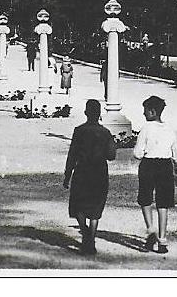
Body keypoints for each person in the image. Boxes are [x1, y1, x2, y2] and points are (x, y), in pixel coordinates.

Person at [63, 99, 117, 255]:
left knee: (78, 203)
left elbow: (72, 155)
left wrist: (68, 175)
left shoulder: (78, 131)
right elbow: (111, 156)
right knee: (95, 205)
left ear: (85, 113)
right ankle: (91, 237)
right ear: (100, 114)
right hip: (99, 171)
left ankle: (84, 232)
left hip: (82, 170)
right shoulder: (105, 133)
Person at [133, 95, 177, 254]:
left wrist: (141, 152)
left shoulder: (146, 128)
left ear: (152, 112)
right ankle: (162, 240)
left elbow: (138, 153)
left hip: (148, 165)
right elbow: (176, 152)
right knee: (163, 202)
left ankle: (150, 229)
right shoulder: (169, 129)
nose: (143, 114)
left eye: (145, 111)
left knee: (145, 198)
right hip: (165, 166)